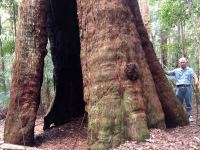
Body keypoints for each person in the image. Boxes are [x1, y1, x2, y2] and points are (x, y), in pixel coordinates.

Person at [166, 57, 198, 122]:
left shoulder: (190, 70)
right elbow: (168, 73)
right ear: (179, 63)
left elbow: (195, 76)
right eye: (181, 62)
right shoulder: (176, 70)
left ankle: (190, 116)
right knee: (178, 102)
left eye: (184, 62)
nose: (183, 63)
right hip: (179, 88)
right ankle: (179, 116)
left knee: (188, 102)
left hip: (188, 87)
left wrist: (196, 81)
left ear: (186, 62)